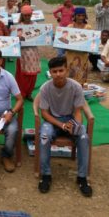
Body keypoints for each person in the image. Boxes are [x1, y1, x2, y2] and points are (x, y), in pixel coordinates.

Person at [37, 56, 92, 197]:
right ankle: (46, 175)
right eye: (54, 71)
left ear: (67, 70)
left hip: (70, 119)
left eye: (61, 70)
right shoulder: (45, 88)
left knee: (84, 137)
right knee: (44, 136)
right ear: (50, 72)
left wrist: (75, 125)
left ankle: (82, 178)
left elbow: (78, 112)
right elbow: (44, 113)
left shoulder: (76, 87)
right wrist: (61, 124)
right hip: (52, 121)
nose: (58, 74)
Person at [15, 5, 40, 101]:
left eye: (29, 15)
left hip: (33, 51)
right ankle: (21, 93)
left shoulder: (36, 25)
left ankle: (29, 93)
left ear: (31, 14)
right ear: (22, 15)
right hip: (22, 52)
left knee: (32, 74)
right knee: (22, 73)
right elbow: (15, 39)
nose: (27, 17)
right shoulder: (18, 26)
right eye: (25, 15)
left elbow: (40, 37)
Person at [65, 7, 92, 85]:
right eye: (79, 15)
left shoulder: (88, 27)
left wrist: (88, 48)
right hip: (71, 55)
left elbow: (90, 42)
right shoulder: (69, 27)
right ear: (75, 15)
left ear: (85, 16)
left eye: (83, 15)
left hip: (83, 55)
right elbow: (65, 40)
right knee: (70, 74)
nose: (80, 17)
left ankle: (80, 93)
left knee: (81, 75)